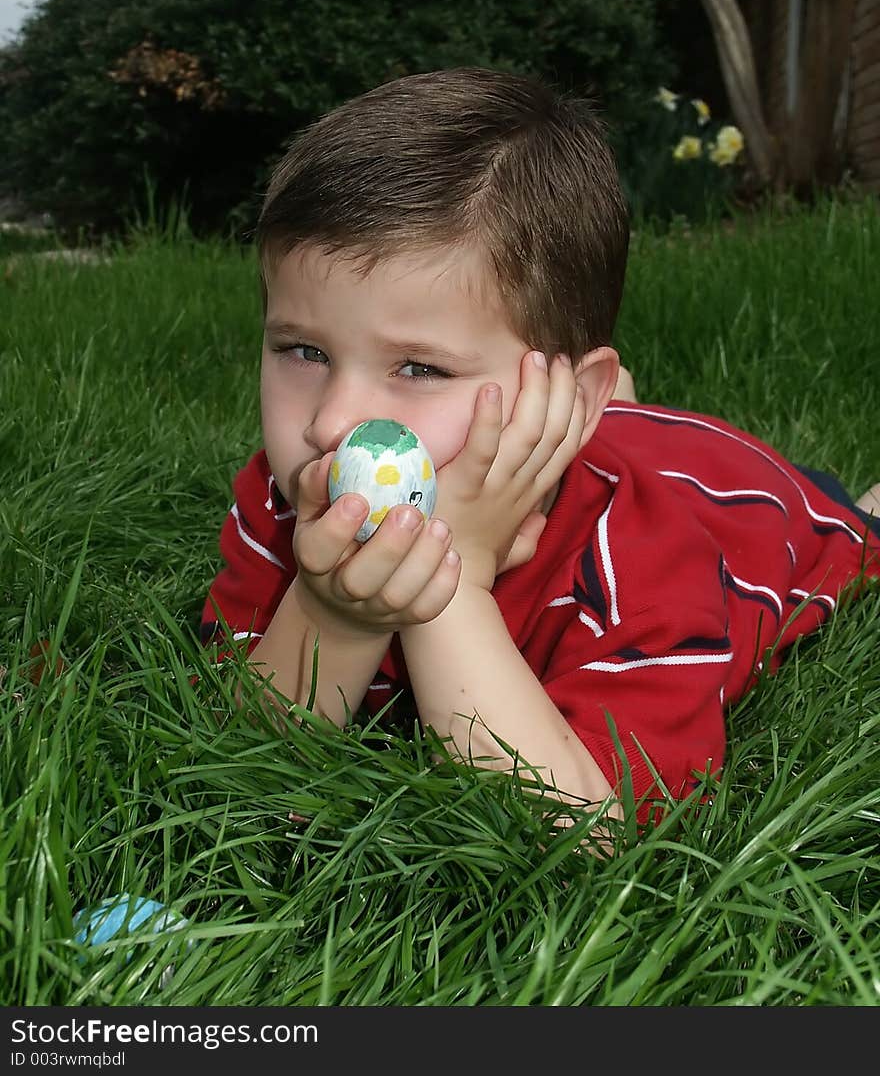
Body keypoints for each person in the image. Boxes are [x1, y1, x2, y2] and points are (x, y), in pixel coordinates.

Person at [201, 67, 880, 827]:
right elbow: (236, 772)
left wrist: (448, 589)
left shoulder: (641, 568)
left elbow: (582, 838)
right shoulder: (288, 496)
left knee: (856, 522)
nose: (333, 425)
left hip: (741, 501)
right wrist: (338, 615)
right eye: (303, 351)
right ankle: (600, 406)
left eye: (419, 368)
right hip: (605, 425)